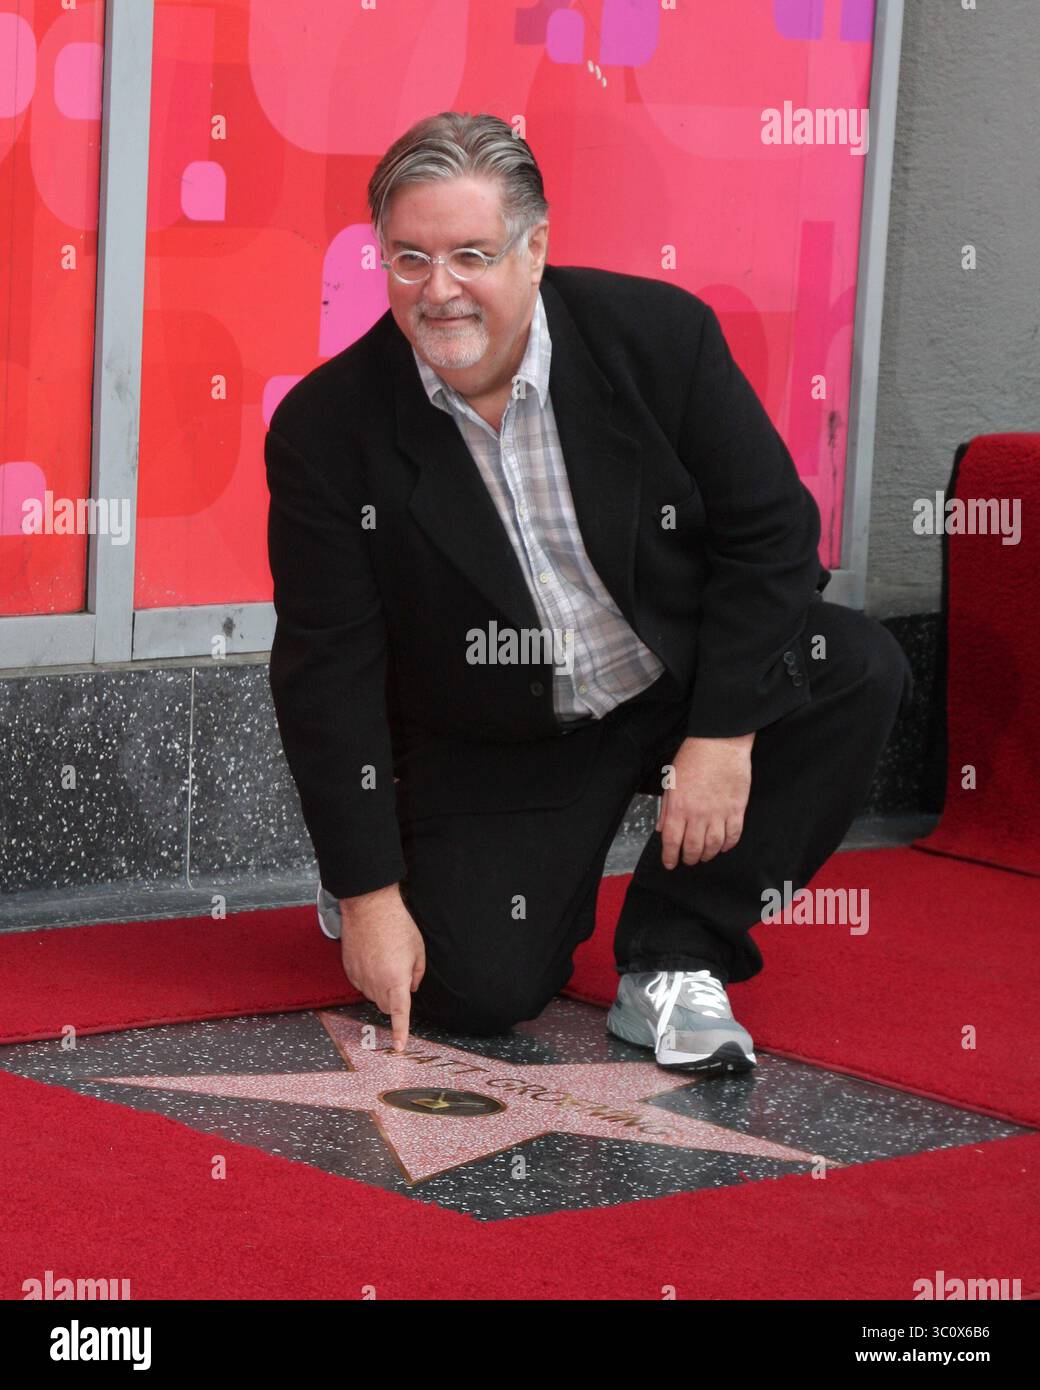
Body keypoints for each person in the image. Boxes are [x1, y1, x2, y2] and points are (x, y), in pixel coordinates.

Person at [265, 112, 912, 1075]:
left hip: (671, 682)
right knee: (477, 993)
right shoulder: (327, 429)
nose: (438, 291)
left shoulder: (657, 339)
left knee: (853, 665)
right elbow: (329, 675)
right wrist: (369, 895)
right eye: (408, 260)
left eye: (470, 255)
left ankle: (678, 956)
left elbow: (772, 535)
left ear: (536, 250)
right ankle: (410, 872)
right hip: (498, 731)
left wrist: (725, 734)